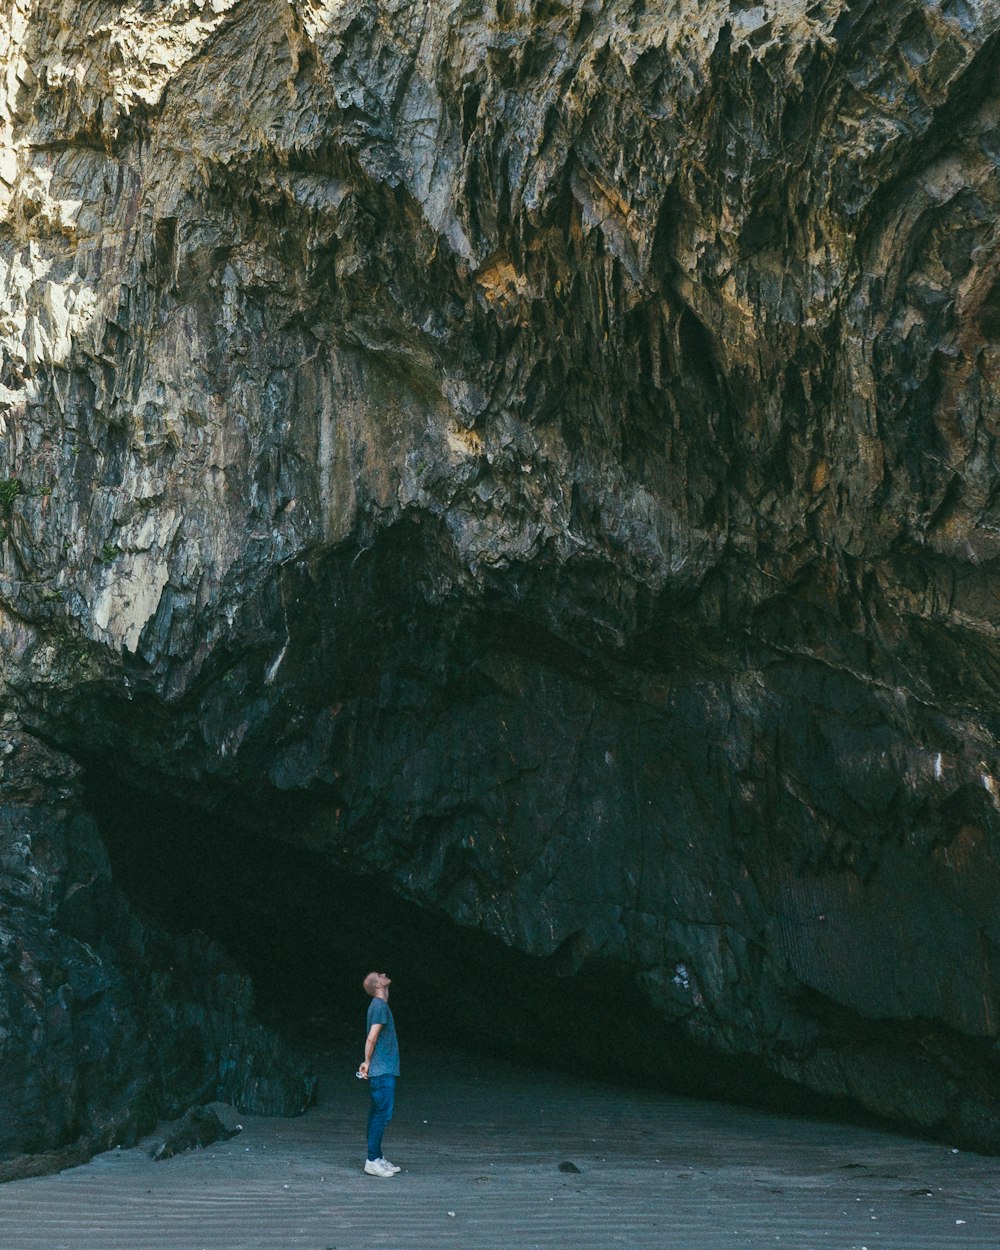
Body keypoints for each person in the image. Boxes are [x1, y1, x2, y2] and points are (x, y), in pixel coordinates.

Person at [358, 970, 401, 1177]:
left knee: (377, 1113)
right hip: (382, 1071)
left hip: (382, 1069)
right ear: (377, 985)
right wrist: (366, 1062)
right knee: (382, 1115)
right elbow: (372, 1037)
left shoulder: (379, 1006)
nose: (384, 974)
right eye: (380, 975)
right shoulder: (380, 1006)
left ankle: (377, 1156)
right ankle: (372, 1160)